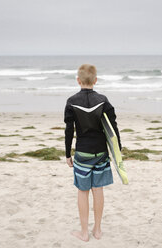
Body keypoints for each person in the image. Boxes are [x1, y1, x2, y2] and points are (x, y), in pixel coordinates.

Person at [64, 64, 122, 242]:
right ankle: (97, 230)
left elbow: (69, 131)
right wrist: (118, 150)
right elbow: (113, 128)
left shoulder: (72, 101)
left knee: (83, 191)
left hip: (82, 153)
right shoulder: (103, 100)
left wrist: (68, 154)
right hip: (101, 152)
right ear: (95, 80)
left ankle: (84, 233)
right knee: (98, 190)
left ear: (78, 80)